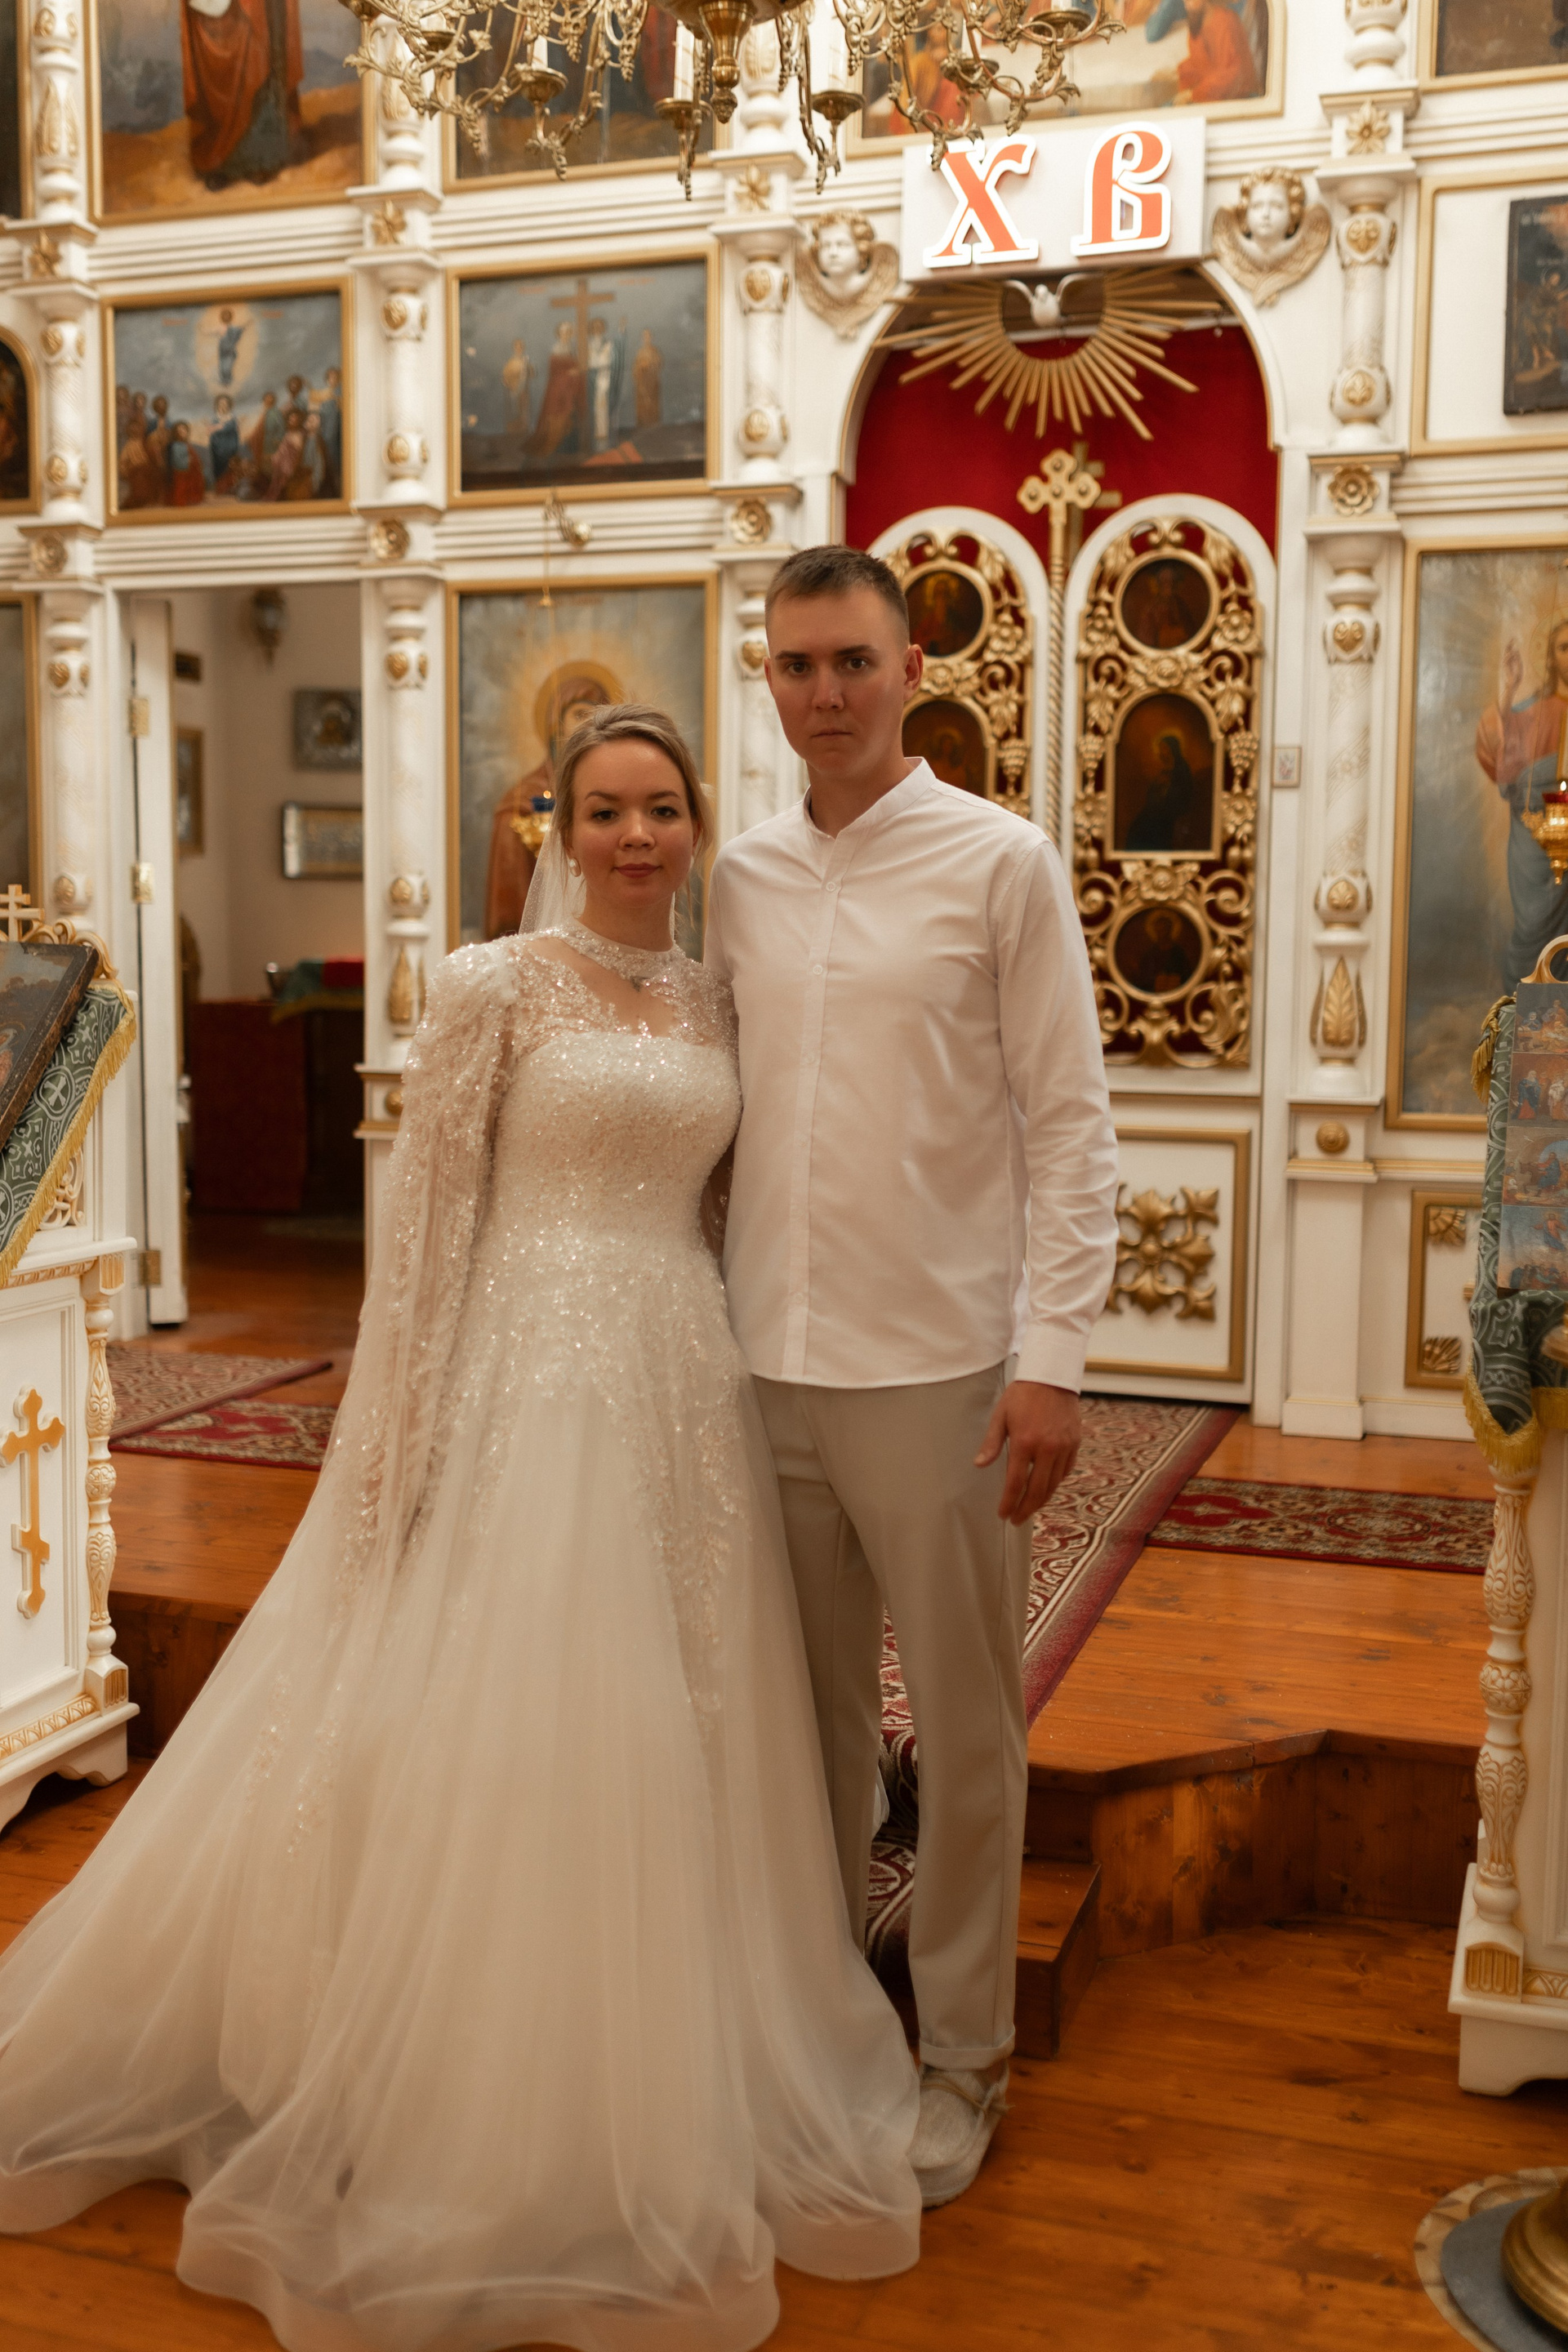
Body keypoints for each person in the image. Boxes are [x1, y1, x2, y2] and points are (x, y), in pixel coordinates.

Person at [0, 702, 920, 2349]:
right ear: (556, 826)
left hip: (683, 1376)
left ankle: (660, 2043)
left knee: (683, 1712)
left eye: (661, 809)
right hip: (528, 1371)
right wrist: (394, 1441)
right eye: (604, 809)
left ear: (696, 828)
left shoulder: (719, 993)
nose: (635, 837)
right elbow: (424, 1230)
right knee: (520, 1701)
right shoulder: (496, 987)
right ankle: (469, 2067)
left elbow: (730, 1207)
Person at [706, 545, 1118, 2209]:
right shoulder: (739, 876)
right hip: (763, 1363)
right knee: (798, 1730)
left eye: (853, 662)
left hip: (942, 1368)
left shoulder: (999, 863)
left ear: (912, 672)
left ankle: (963, 2058)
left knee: (960, 1732)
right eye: (797, 665)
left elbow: (1070, 1123)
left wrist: (1055, 1360)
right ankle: (817, 2030)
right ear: (770, 678)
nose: (825, 694)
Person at [1477, 617, 1568, 987]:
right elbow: (1502, 752)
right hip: (1534, 837)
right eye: (1564, 648)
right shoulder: (1533, 712)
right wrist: (1509, 689)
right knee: (1533, 926)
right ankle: (1530, 1014)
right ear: (1551, 658)